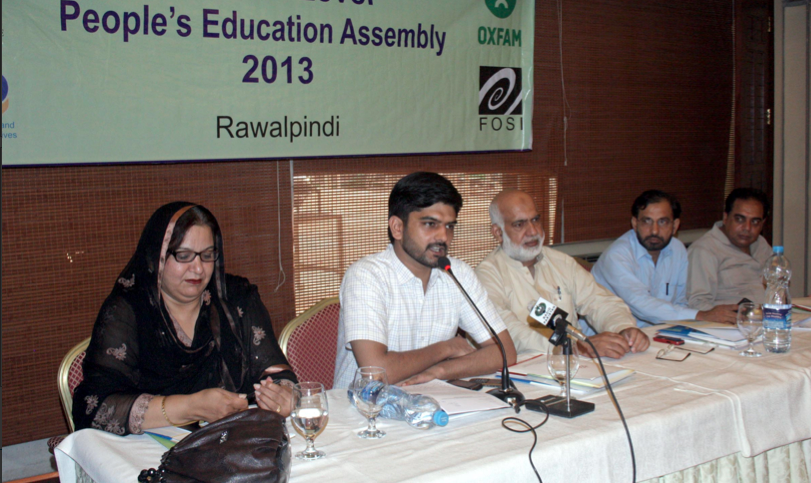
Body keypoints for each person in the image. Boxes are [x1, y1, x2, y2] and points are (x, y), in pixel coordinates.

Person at [73, 202, 297, 435]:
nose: (198, 269)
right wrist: (191, 407)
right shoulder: (129, 310)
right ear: (155, 257)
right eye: (184, 256)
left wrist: (284, 394)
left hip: (234, 441)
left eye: (207, 255)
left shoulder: (236, 298)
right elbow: (94, 408)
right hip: (151, 449)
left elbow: (276, 371)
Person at [333, 172, 516, 389]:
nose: (443, 237)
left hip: (433, 400)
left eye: (449, 226)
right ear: (397, 228)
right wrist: (446, 349)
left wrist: (440, 371)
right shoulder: (366, 276)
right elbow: (377, 373)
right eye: (430, 224)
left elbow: (505, 351)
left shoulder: (457, 273)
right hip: (365, 406)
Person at [476, 190, 649, 359]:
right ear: (498, 232)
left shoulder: (561, 262)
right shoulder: (487, 275)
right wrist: (574, 346)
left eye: (535, 220)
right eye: (519, 224)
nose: (533, 231)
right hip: (523, 368)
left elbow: (599, 301)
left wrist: (624, 328)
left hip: (574, 364)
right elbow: (510, 334)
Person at [592, 190, 703, 326]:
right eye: (647, 221)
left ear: (675, 226)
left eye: (662, 222)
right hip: (614, 334)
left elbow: (681, 301)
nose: (654, 231)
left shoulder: (677, 249)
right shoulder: (617, 255)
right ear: (635, 223)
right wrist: (699, 316)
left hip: (660, 332)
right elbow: (640, 304)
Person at [687, 188, 772, 323]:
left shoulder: (761, 244)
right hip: (731, 326)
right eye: (740, 219)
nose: (747, 228)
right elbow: (696, 304)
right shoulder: (705, 250)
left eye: (755, 222)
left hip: (768, 319)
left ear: (763, 223)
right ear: (726, 218)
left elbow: (776, 286)